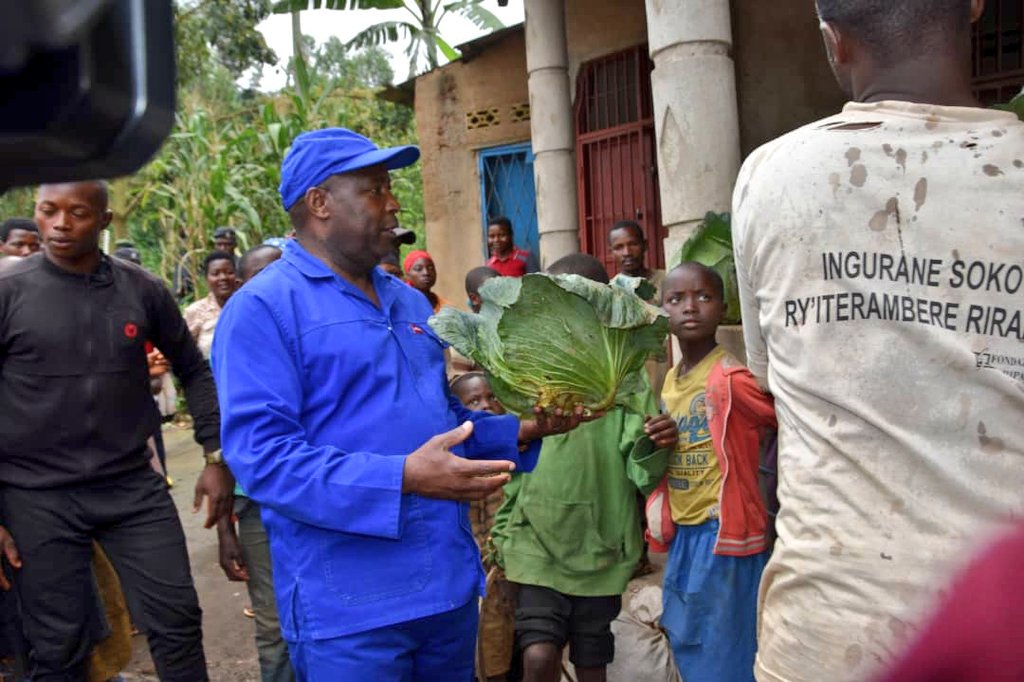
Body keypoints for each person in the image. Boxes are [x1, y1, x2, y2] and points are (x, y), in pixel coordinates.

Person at [211, 127, 592, 681]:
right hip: (351, 613)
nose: (393, 202)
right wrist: (404, 477)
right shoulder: (263, 310)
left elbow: (443, 423)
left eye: (389, 186)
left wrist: (529, 428)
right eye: (374, 188)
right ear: (319, 203)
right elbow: (265, 460)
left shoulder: (408, 300)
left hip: (444, 590)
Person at [731, 2, 1024, 680]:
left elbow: (769, 375)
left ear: (835, 43)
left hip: (829, 637)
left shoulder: (771, 177)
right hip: (1003, 636)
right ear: (973, 9)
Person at [0, 180, 233, 680]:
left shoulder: (141, 289)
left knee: (177, 619)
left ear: (104, 222)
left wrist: (214, 455)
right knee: (57, 641)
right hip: (36, 495)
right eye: (48, 211)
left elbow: (192, 368)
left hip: (130, 487)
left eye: (77, 213)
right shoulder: (9, 291)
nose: (60, 224)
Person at [492, 252, 678, 682]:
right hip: (535, 542)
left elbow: (641, 470)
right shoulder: (527, 376)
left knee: (592, 663)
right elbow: (513, 461)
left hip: (602, 549)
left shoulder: (624, 382)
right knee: (537, 657)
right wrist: (504, 531)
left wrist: (656, 441)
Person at [652, 262, 776, 682]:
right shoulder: (671, 379)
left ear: (722, 308)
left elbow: (780, 420)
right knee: (688, 636)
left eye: (703, 297)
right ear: (662, 310)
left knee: (725, 647)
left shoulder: (730, 378)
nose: (690, 307)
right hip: (687, 532)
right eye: (677, 299)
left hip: (725, 534)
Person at [214, 243, 294, 682]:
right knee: (274, 620)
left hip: (314, 493)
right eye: (262, 275)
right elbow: (224, 443)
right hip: (258, 504)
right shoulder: (236, 338)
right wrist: (226, 529)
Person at [450, 372, 516, 682]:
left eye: (492, 398)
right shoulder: (452, 468)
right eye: (473, 401)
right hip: (475, 582)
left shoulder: (518, 461)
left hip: (513, 575)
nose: (486, 406)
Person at [184, 251, 238, 358]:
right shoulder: (195, 311)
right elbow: (183, 350)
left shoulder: (248, 306)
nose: (223, 277)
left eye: (229, 272)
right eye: (215, 274)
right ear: (206, 279)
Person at [607, 221, 665, 303]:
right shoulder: (610, 291)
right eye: (619, 247)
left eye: (633, 244)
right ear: (611, 253)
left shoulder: (668, 280)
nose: (627, 253)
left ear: (645, 245)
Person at [403, 248, 450, 313]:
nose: (426, 273)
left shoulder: (444, 307)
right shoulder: (402, 305)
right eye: (418, 269)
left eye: (430, 268)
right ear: (407, 275)